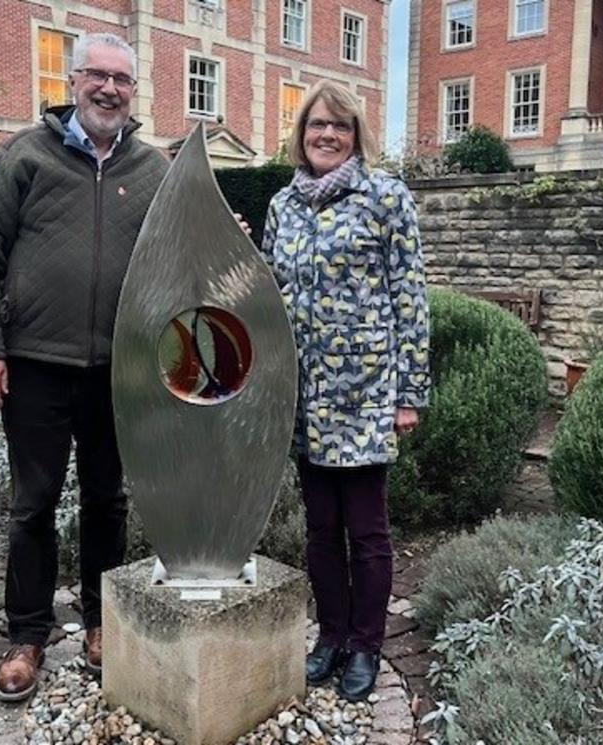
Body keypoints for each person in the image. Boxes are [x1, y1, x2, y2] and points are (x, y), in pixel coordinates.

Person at [0, 33, 169, 702]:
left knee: (108, 499)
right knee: (33, 503)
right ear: (73, 81)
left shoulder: (154, 168)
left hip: (118, 370)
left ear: (133, 91)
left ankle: (104, 621)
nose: (110, 89)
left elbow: (177, 253)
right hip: (36, 366)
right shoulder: (25, 155)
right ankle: (28, 633)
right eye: (98, 76)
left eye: (122, 80)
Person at [260, 81, 430, 702]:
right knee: (320, 530)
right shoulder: (283, 205)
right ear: (300, 136)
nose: (326, 135)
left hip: (364, 391)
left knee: (367, 531)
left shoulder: (386, 196)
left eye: (339, 126)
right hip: (303, 396)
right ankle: (330, 636)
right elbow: (266, 294)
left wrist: (408, 393)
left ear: (356, 135)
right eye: (315, 127)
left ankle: (365, 644)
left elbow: (409, 299)